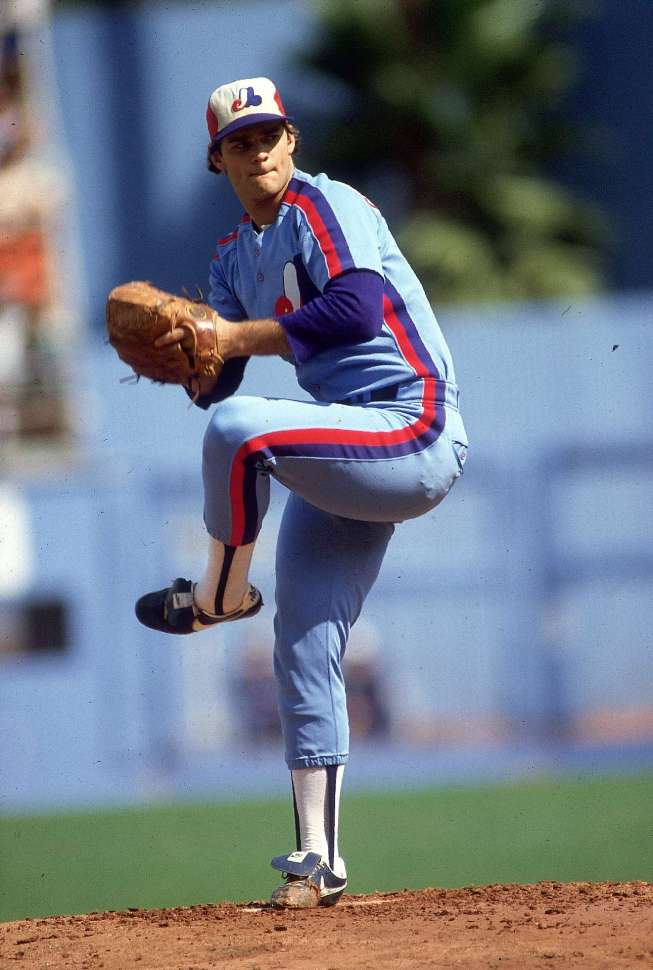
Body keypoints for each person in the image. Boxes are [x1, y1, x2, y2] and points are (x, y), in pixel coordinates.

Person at [136, 77, 468, 909]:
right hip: (342, 442)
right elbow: (219, 387)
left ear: (292, 142)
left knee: (240, 432)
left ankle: (218, 596)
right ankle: (317, 859)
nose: (257, 152)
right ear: (217, 161)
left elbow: (354, 310)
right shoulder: (230, 258)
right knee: (303, 636)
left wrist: (228, 340)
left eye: (268, 136)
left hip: (410, 423)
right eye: (238, 143)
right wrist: (185, 359)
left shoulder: (326, 205)